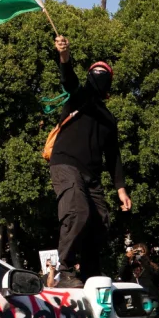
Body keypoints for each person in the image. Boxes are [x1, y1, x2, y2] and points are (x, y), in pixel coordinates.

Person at [48, 36, 132, 287]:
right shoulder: (79, 97)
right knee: (78, 211)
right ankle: (65, 271)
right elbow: (68, 78)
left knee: (100, 220)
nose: (99, 76)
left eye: (103, 74)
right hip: (65, 164)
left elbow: (114, 156)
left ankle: (90, 270)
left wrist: (121, 189)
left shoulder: (109, 119)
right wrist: (64, 55)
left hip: (91, 175)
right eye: (95, 73)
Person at [120, 243, 159, 318]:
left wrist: (144, 260)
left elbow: (158, 277)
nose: (138, 254)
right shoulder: (129, 267)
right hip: (133, 300)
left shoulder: (150, 266)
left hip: (150, 299)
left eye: (141, 252)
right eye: (136, 251)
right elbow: (122, 274)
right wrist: (127, 258)